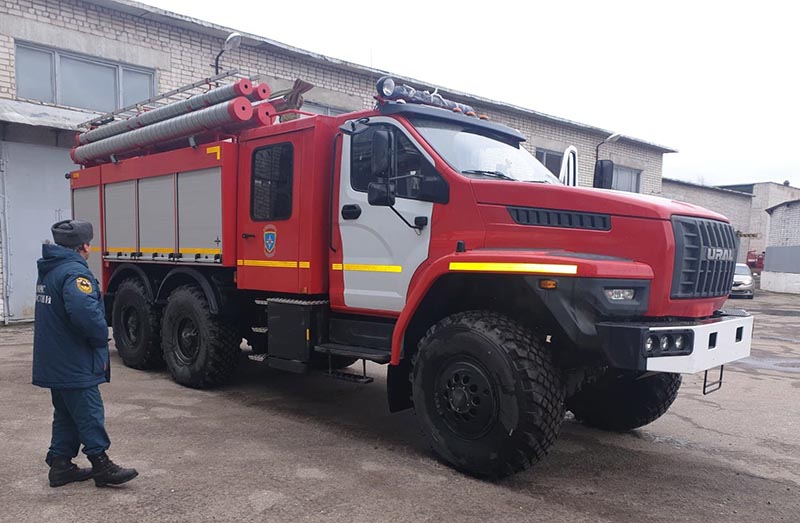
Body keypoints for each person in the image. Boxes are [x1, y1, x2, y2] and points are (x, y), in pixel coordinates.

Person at [33, 219, 138, 488]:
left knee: (66, 413)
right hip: (73, 358)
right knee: (89, 410)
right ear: (84, 246)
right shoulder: (74, 273)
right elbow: (84, 313)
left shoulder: (51, 268)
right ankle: (101, 464)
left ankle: (60, 465)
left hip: (55, 357)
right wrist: (100, 336)